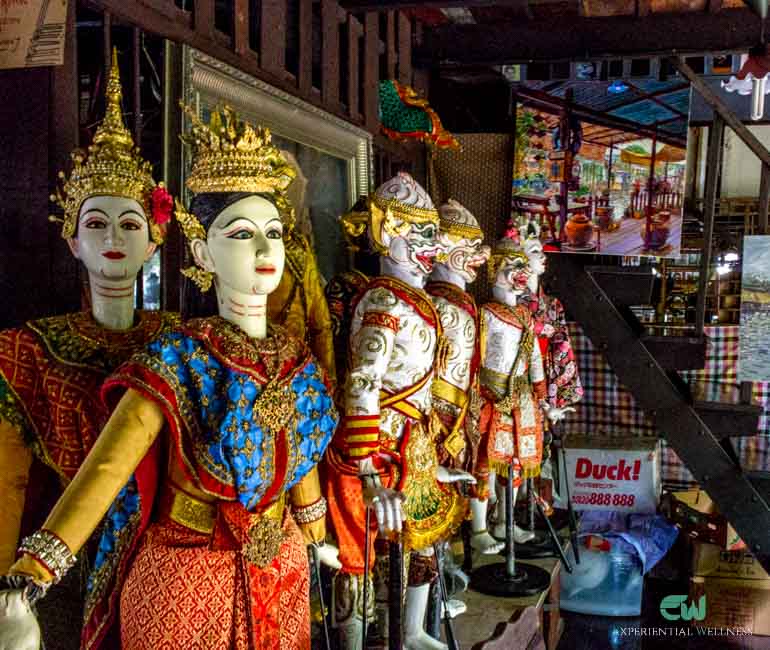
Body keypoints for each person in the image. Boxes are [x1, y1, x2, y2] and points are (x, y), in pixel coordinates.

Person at [0, 106, 340, 650]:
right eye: (241, 233)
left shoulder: (293, 355)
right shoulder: (178, 357)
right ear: (202, 251)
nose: (262, 249)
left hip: (281, 567)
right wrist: (32, 576)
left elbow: (297, 452)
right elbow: (110, 465)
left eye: (273, 233)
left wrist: (316, 528)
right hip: (185, 574)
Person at [0, 50, 179, 649]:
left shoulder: (179, 342)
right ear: (72, 242)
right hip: (65, 564)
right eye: (95, 224)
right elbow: (9, 481)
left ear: (153, 242)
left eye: (129, 225)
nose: (111, 239)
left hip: (165, 556)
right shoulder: (30, 348)